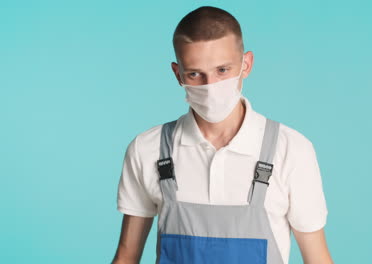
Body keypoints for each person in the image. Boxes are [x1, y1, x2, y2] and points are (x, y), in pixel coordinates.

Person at [112, 6, 333, 264]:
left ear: (246, 64)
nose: (211, 86)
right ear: (177, 74)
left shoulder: (291, 150)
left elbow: (318, 259)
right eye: (195, 74)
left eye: (222, 70)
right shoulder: (147, 150)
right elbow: (127, 256)